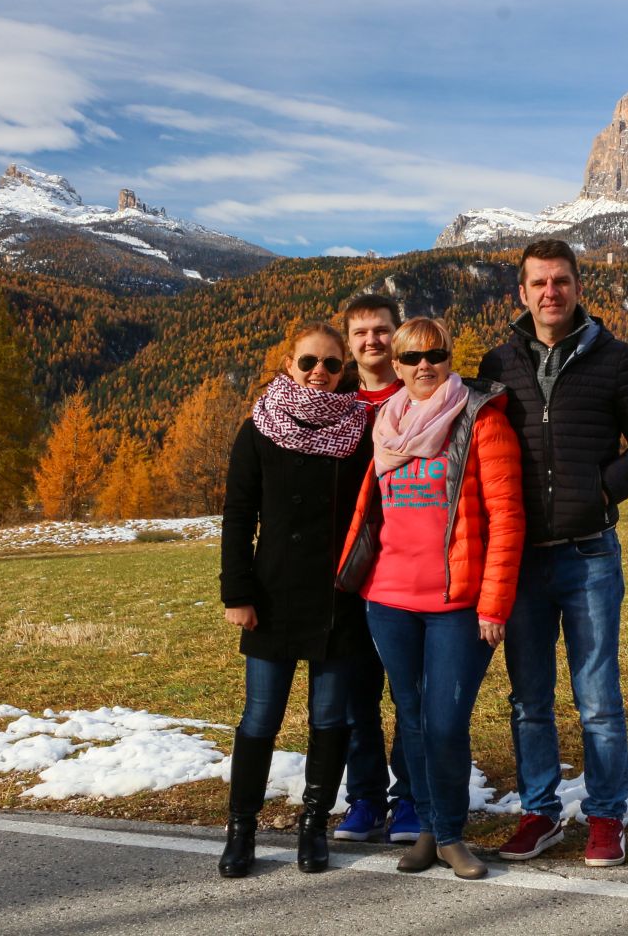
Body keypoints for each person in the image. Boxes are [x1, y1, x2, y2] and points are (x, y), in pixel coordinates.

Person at [478, 239, 628, 867]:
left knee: (597, 698)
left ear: (577, 286)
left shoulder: (611, 356)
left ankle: (606, 817)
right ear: (522, 292)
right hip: (523, 558)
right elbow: (475, 445)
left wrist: (605, 488)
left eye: (560, 281)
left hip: (590, 554)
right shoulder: (497, 361)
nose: (550, 292)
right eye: (538, 283)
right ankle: (539, 814)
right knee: (528, 697)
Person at [337, 317, 524, 880]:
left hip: (458, 604)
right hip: (389, 600)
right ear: (395, 365)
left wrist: (493, 605)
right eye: (412, 357)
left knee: (445, 721)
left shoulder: (480, 420)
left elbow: (507, 518)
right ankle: (426, 830)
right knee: (413, 718)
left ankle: (450, 835)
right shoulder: (385, 425)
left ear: (449, 359)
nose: (425, 365)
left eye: (436, 355)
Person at [217, 321, 372, 878]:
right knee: (260, 719)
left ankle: (313, 826)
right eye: (308, 362)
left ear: (343, 370)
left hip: (337, 598)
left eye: (331, 364)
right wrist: (237, 591)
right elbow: (238, 515)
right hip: (273, 595)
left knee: (329, 719)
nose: (319, 373)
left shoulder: (360, 428)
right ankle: (242, 830)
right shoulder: (259, 426)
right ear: (289, 363)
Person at [333, 294, 420, 845]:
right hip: (346, 571)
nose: (372, 341)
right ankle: (364, 800)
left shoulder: (421, 394)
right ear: (349, 342)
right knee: (353, 693)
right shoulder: (333, 403)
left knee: (410, 691)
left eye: (382, 330)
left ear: (398, 333)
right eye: (361, 332)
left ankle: (409, 798)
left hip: (407, 566)